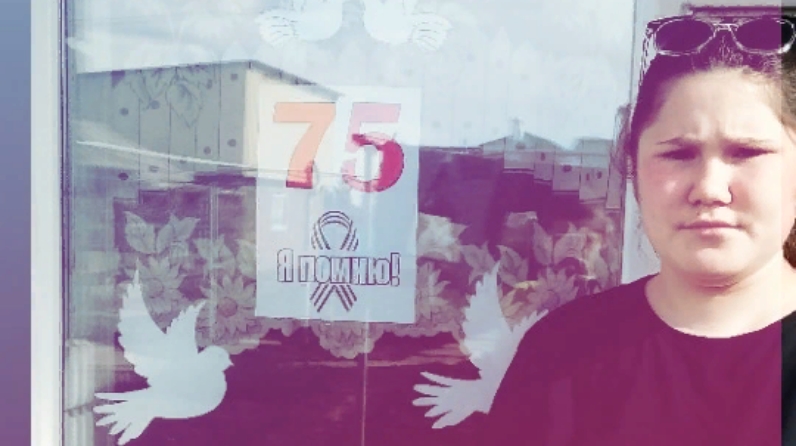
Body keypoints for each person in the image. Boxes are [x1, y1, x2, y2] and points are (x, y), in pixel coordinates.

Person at [480, 11, 796, 446]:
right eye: (678, 154)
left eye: (746, 152)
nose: (709, 189)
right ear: (632, 167)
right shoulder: (561, 352)